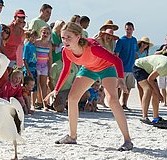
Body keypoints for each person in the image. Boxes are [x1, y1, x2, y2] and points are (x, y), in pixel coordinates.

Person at [47, 22, 132, 151]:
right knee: (72, 98)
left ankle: (127, 140)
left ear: (78, 37)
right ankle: (72, 136)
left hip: (106, 68)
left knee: (112, 101)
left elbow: (117, 61)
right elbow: (65, 69)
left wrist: (120, 78)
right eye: (63, 38)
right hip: (88, 69)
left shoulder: (92, 47)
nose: (65, 41)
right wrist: (56, 89)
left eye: (68, 37)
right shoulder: (66, 51)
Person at [133, 55, 167, 124]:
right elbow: (150, 79)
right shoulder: (165, 66)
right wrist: (159, 94)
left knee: (155, 93)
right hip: (139, 67)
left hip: (150, 71)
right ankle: (144, 117)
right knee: (148, 90)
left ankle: (156, 117)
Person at [114, 22, 138, 111]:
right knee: (119, 87)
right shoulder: (121, 40)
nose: (129, 31)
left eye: (130, 29)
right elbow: (116, 54)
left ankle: (124, 104)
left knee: (128, 87)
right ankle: (116, 104)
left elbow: (136, 53)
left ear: (133, 29)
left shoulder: (134, 40)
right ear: (125, 29)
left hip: (131, 69)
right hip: (122, 68)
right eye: (127, 29)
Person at [35, 26, 52, 111]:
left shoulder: (49, 45)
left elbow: (50, 57)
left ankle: (45, 104)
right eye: (44, 32)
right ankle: (34, 103)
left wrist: (50, 69)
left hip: (44, 66)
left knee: (44, 85)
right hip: (36, 65)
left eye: (47, 33)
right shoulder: (36, 42)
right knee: (36, 84)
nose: (45, 34)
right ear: (40, 32)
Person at [22, 30, 38, 110]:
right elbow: (24, 59)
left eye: (35, 37)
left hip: (34, 69)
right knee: (26, 87)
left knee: (34, 87)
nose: (33, 39)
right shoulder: (27, 46)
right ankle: (26, 106)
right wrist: (28, 71)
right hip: (28, 69)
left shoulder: (34, 46)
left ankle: (32, 105)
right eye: (32, 37)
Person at [136, 37, 153, 102]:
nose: (144, 44)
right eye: (143, 43)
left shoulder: (146, 52)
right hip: (137, 69)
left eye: (146, 43)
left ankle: (144, 101)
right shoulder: (136, 51)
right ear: (141, 43)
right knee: (139, 87)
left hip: (144, 69)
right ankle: (142, 101)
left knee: (144, 87)